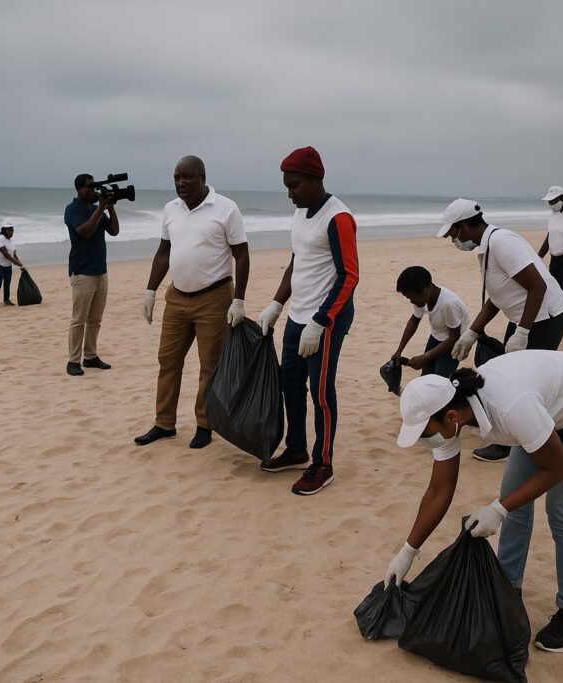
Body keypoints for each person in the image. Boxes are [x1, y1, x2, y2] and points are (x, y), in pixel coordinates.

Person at [385, 351, 563, 653]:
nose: (425, 442)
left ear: (450, 417)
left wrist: (499, 509)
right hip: (548, 409)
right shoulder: (452, 412)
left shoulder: (510, 406)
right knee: (513, 498)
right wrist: (407, 552)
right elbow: (439, 490)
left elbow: (557, 468)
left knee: (562, 507)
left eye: (425, 434)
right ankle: (507, 588)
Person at [255, 146, 359, 495]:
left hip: (325, 318)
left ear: (316, 180)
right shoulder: (300, 213)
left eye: (295, 185)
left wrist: (321, 321)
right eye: (286, 185)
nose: (289, 193)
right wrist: (275, 304)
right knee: (290, 384)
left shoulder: (338, 217)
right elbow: (297, 262)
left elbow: (349, 276)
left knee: (321, 392)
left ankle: (323, 463)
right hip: (298, 314)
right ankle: (297, 448)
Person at [440, 198, 563, 462]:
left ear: (464, 226)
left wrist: (522, 332)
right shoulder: (487, 247)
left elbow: (538, 286)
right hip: (527, 316)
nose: (452, 239)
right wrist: (473, 333)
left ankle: (513, 444)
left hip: (546, 317)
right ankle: (512, 436)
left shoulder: (502, 243)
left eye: (453, 232)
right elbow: (498, 296)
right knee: (506, 372)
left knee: (520, 382)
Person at [135, 156, 249, 449]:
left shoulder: (226, 209)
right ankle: (164, 423)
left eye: (187, 177)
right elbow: (163, 252)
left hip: (214, 297)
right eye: (176, 177)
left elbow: (241, 255)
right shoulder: (170, 210)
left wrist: (239, 300)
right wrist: (150, 290)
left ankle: (204, 424)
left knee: (209, 365)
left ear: (202, 177)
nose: (181, 183)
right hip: (176, 296)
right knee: (168, 361)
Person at [64, 174, 120, 376]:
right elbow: (85, 232)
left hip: (100, 271)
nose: (94, 190)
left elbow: (114, 231)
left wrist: (110, 206)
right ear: (79, 189)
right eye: (90, 187)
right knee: (79, 319)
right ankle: (73, 360)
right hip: (82, 272)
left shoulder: (93, 208)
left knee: (95, 319)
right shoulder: (72, 210)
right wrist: (100, 207)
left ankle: (90, 356)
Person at [392, 265, 470, 378]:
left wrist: (426, 356)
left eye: (411, 298)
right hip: (437, 335)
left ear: (425, 290)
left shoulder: (449, 304)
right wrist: (399, 351)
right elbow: (414, 320)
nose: (411, 301)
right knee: (426, 378)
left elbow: (454, 337)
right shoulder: (422, 299)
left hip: (454, 343)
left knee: (441, 380)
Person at [0, 220, 25, 306]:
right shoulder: (0, 238)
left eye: (12, 230)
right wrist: (17, 263)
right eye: (10, 230)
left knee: (7, 282)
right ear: (5, 230)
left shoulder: (10, 241)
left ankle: (6, 300)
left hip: (7, 265)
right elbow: (5, 254)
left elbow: (14, 255)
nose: (12, 232)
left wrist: (21, 265)